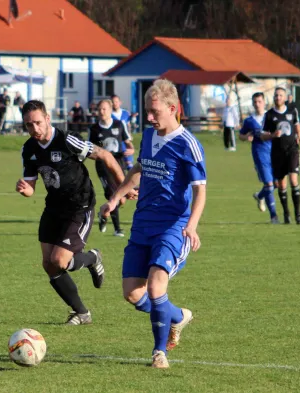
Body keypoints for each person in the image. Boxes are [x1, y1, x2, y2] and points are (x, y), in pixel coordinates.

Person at [100, 79, 206, 368]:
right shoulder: (148, 135)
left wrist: (192, 225)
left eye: (154, 111)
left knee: (157, 286)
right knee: (133, 293)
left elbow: (200, 189)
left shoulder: (189, 145)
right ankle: (177, 316)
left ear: (172, 109)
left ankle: (160, 352)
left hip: (173, 226)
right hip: (142, 224)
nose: (149, 117)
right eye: (147, 111)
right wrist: (115, 197)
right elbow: (139, 168)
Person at [16, 100, 136, 325]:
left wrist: (123, 187)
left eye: (38, 123)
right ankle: (82, 313)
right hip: (53, 208)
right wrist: (25, 189)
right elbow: (32, 187)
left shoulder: (67, 139)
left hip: (79, 207)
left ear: (48, 118)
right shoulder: (29, 149)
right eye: (29, 125)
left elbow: (106, 157)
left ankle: (92, 258)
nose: (34, 129)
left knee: (59, 261)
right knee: (48, 265)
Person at [88, 99, 134, 237]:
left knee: (123, 198)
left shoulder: (119, 125)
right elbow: (88, 148)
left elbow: (128, 143)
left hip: (119, 162)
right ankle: (117, 229)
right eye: (99, 109)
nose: (102, 112)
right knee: (113, 195)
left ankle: (104, 213)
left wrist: (131, 150)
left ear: (110, 110)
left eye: (104, 109)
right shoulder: (94, 129)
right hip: (103, 166)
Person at [261, 87, 300, 225]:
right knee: (281, 184)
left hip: (292, 150)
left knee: (293, 179)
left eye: (280, 95)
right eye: (276, 95)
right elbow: (262, 135)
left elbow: (296, 125)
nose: (278, 97)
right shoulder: (268, 115)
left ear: (285, 97)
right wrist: (273, 135)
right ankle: (286, 213)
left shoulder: (292, 111)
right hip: (277, 153)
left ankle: (298, 214)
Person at [238, 92, 278, 223]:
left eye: (259, 101)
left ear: (264, 102)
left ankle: (260, 196)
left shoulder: (271, 116)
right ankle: (274, 217)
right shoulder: (249, 121)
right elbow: (241, 135)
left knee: (277, 183)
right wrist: (247, 137)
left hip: (275, 152)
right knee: (269, 184)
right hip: (260, 154)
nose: (257, 104)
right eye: (255, 102)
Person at [111, 94, 134, 170]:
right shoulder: (110, 114)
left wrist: (129, 134)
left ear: (120, 102)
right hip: (115, 140)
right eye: (113, 102)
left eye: (116, 101)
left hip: (125, 140)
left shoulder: (125, 113)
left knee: (128, 162)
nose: (115, 103)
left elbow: (128, 124)